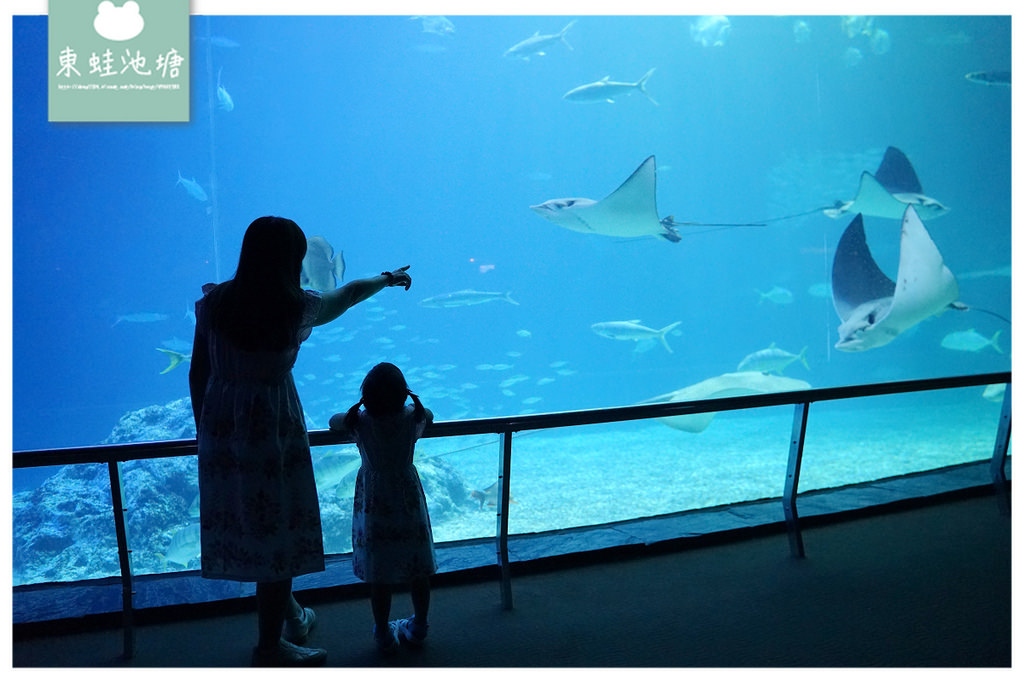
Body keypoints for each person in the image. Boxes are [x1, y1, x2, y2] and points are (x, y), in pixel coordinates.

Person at [189, 216, 412, 667]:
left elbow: (198, 372)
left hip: (223, 431)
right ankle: (269, 647)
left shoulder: (214, 304)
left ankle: (291, 615)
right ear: (290, 261)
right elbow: (345, 296)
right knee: (279, 531)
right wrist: (386, 279)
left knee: (251, 528)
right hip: (272, 429)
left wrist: (206, 432)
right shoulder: (293, 308)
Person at [329, 362, 437, 653]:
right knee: (418, 568)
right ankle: (419, 626)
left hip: (375, 501)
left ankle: (382, 632)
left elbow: (333, 420)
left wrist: (359, 409)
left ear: (367, 396)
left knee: (380, 570)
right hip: (407, 497)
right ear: (404, 394)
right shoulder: (411, 418)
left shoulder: (361, 423)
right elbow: (429, 415)